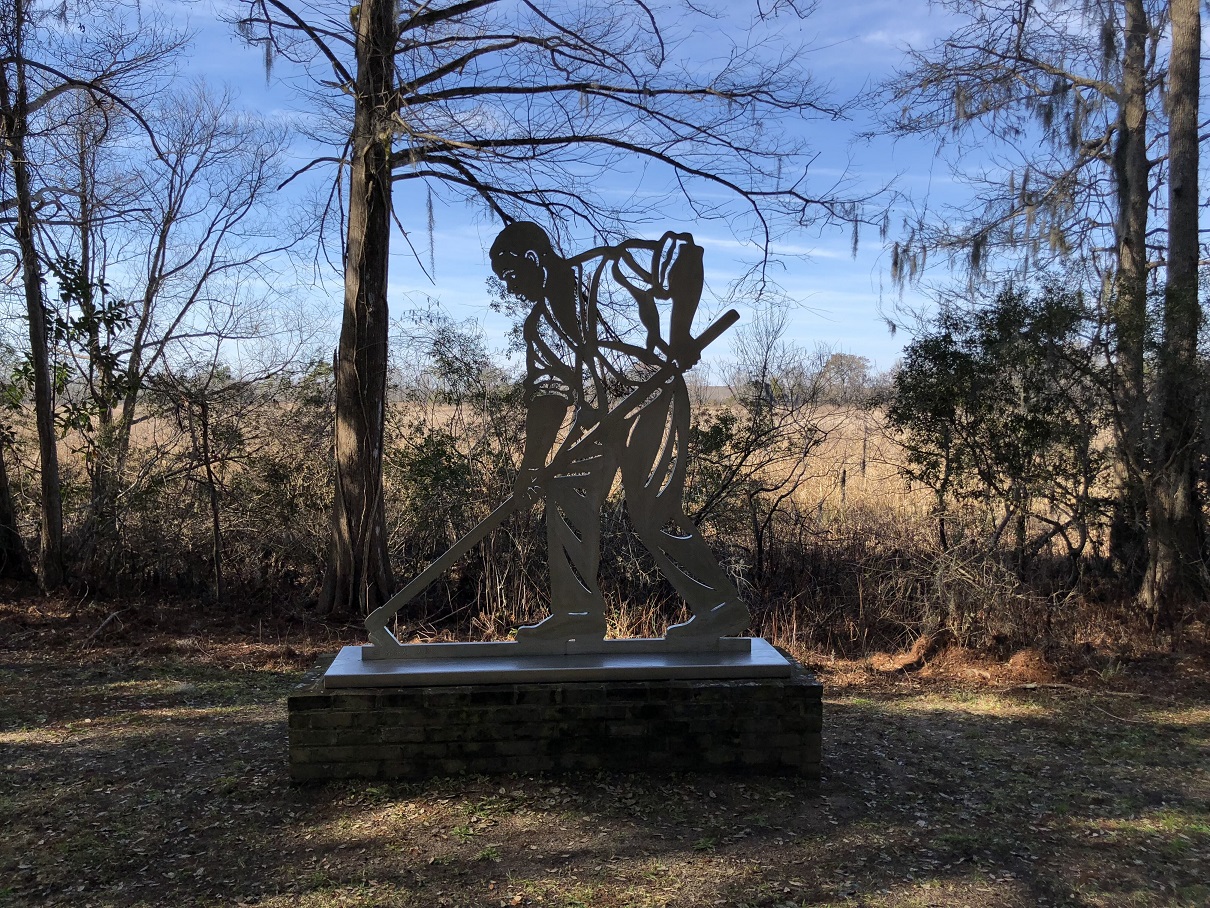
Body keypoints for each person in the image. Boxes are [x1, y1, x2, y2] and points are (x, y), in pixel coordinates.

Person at [489, 221, 749, 643]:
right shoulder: (538, 328)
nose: (511, 289)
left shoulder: (607, 269)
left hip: (653, 397)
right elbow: (549, 399)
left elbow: (684, 256)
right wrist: (531, 467)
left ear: (533, 259)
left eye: (512, 276)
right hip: (599, 418)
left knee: (651, 514)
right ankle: (577, 613)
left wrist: (680, 332)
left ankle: (719, 608)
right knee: (565, 488)